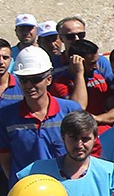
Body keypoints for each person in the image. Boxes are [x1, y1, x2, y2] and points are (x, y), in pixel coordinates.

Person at [0, 47, 82, 180]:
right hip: (25, 194)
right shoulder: (6, 116)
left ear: (49, 79)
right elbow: (5, 158)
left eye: (35, 79)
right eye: (23, 80)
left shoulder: (70, 111)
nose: (28, 85)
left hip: (64, 190)